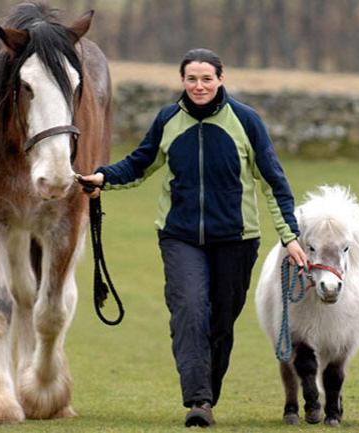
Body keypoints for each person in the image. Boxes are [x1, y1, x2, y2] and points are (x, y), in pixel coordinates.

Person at [81, 48, 307, 428]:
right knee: (189, 309)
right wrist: (103, 177)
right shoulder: (168, 119)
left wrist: (290, 237)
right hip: (180, 236)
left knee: (220, 322)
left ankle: (206, 393)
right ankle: (198, 401)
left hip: (237, 239)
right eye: (191, 79)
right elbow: (140, 163)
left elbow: (274, 182)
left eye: (206, 78)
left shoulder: (247, 121)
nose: (198, 86)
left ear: (220, 79)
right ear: (182, 81)